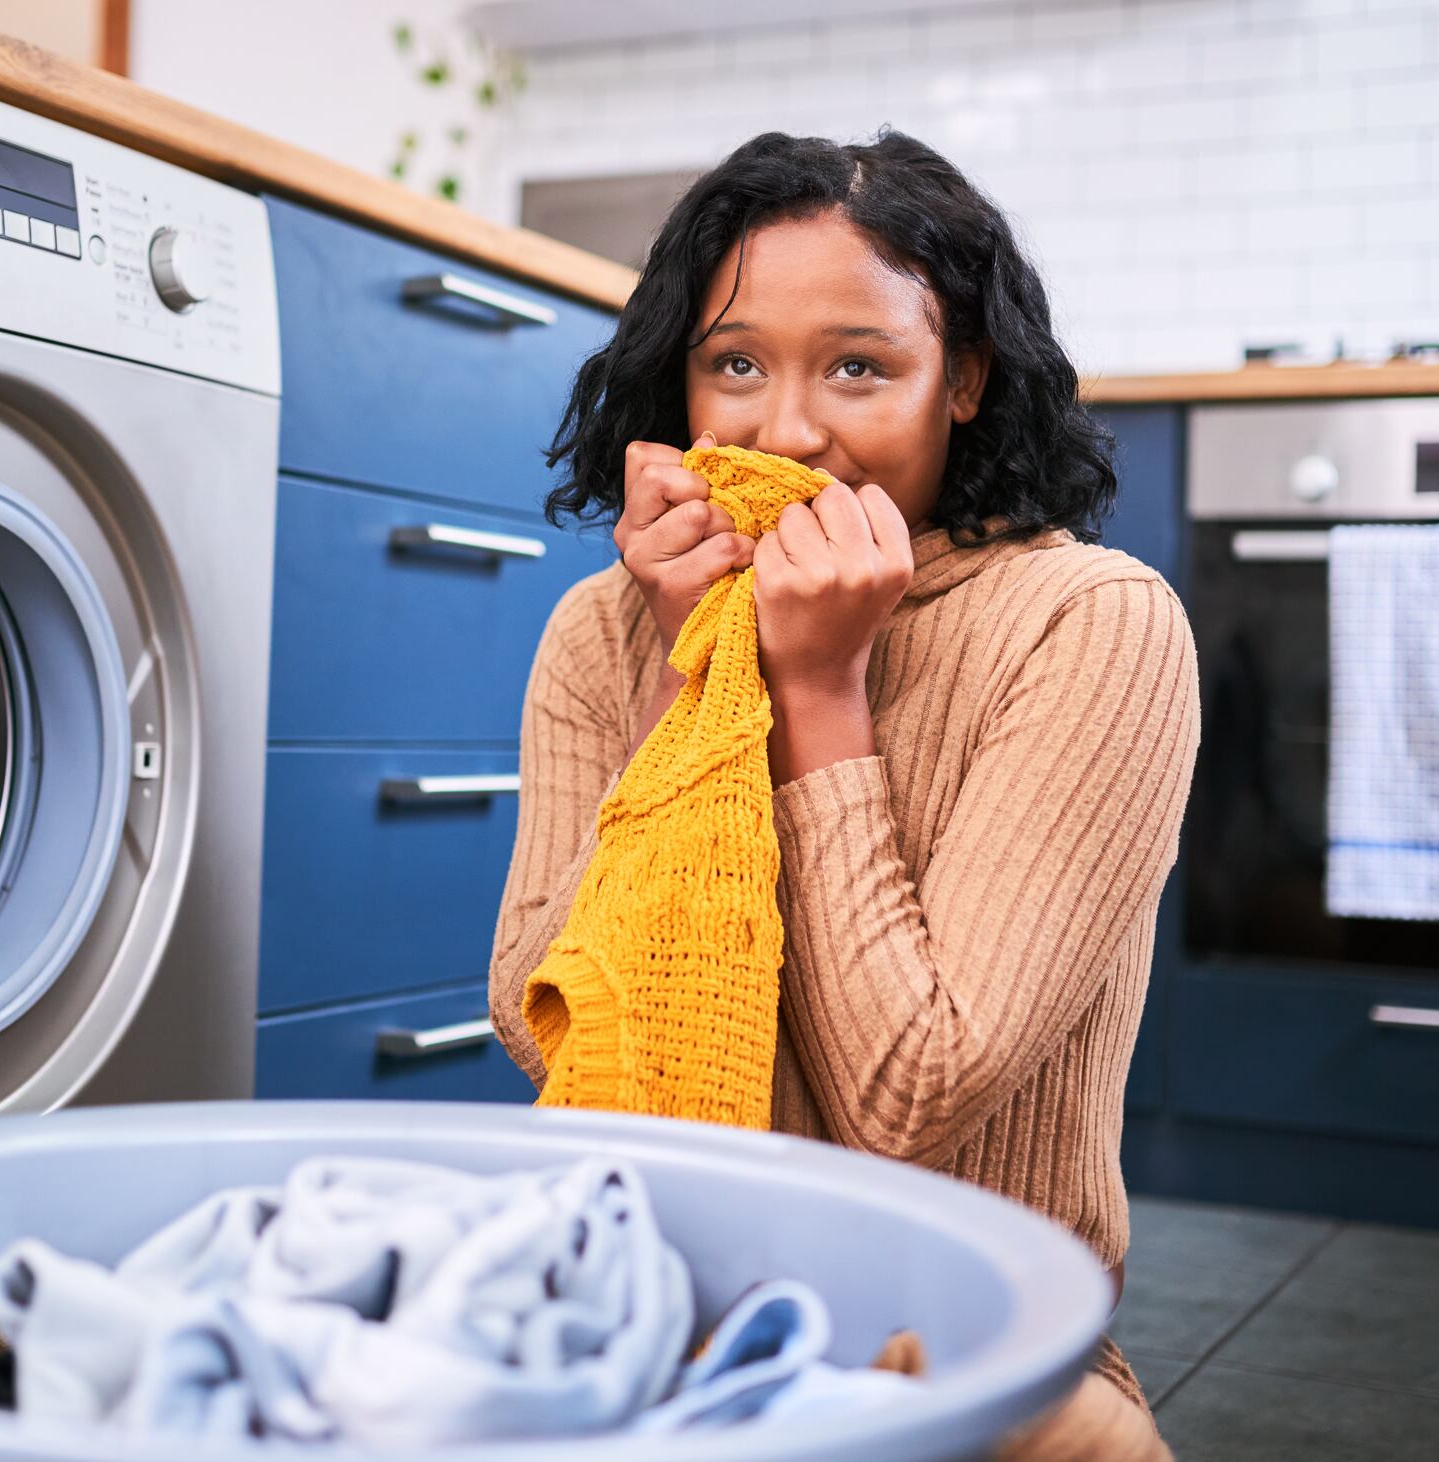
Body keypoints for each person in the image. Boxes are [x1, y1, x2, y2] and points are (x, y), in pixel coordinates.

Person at [487, 129, 1197, 1460]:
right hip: (662, 1318)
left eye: (860, 367)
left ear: (963, 379)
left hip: (971, 1351)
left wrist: (816, 695)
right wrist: (696, 680)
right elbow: (556, 1037)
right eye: (735, 363)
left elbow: (908, 1096)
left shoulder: (1091, 623)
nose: (789, 428)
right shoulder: (610, 627)